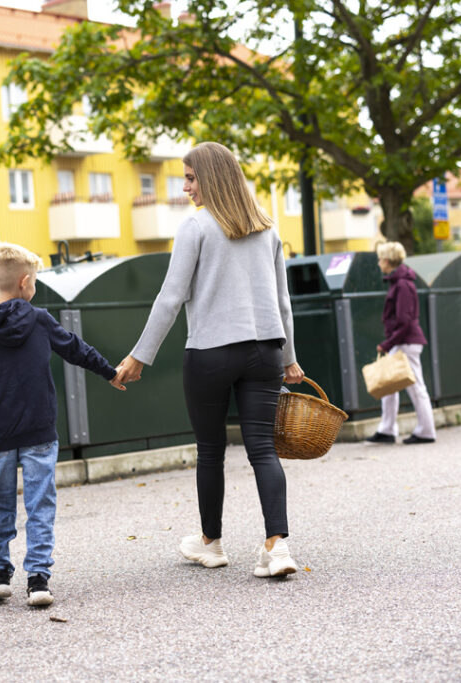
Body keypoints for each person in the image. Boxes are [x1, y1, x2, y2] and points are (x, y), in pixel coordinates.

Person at [114, 141, 304, 578]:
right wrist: (289, 358)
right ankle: (278, 548)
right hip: (265, 351)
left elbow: (171, 298)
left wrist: (139, 356)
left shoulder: (196, 227)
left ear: (212, 178)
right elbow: (283, 302)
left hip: (212, 352)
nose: (185, 188)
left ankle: (211, 544)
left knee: (210, 451)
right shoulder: (267, 228)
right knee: (262, 449)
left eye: (191, 178)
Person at [0, 242, 124, 607]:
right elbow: (75, 348)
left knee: (0, 503)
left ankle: (0, 574)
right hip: (38, 432)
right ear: (25, 282)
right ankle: (38, 580)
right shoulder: (39, 319)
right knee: (40, 504)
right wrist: (109, 372)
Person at [365, 242, 437, 445]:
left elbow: (405, 320)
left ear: (387, 261)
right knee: (390, 385)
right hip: (402, 341)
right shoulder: (399, 282)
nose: (379, 263)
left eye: (380, 259)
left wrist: (387, 343)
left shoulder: (403, 285)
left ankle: (426, 431)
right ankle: (387, 429)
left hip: (405, 342)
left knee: (415, 387)